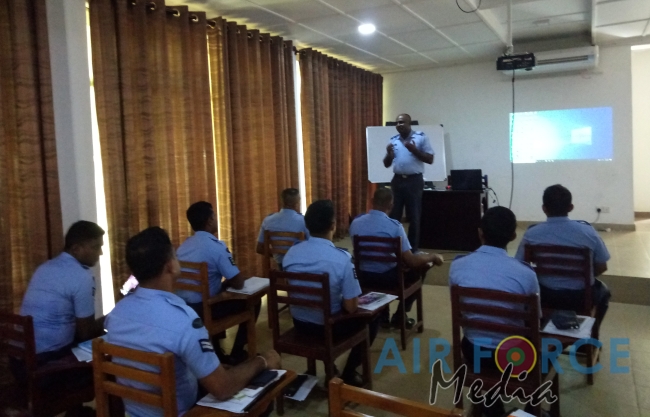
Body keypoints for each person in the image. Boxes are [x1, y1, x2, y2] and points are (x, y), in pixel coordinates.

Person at [106, 227, 281, 417]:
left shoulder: (116, 315)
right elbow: (222, 388)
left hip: (135, 413)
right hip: (185, 411)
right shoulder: (184, 321)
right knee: (265, 389)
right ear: (170, 266)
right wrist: (262, 360)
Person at [449, 207, 540, 417]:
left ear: (480, 233)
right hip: (513, 357)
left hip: (473, 352)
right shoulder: (526, 274)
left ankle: (491, 403)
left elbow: (460, 315)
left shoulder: (457, 266)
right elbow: (534, 323)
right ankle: (529, 412)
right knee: (549, 352)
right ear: (513, 236)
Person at [282, 200, 379, 387]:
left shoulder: (291, 254)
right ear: (333, 225)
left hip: (300, 323)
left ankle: (330, 368)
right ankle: (349, 372)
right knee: (373, 317)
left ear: (307, 225)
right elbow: (351, 307)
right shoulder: (341, 259)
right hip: (328, 328)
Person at [176, 201, 260, 364]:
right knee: (254, 301)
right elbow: (238, 282)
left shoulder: (183, 247)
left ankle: (217, 353)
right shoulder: (216, 247)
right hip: (205, 310)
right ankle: (237, 352)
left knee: (218, 291)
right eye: (214, 216)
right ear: (209, 221)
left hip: (185, 309)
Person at [514, 184, 611, 325]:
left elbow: (521, 265)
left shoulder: (531, 234)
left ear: (544, 208)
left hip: (545, 295)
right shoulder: (588, 232)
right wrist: (583, 275)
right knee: (605, 292)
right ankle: (593, 331)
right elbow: (602, 266)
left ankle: (538, 328)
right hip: (579, 297)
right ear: (571, 207)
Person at [349, 188, 444, 328]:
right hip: (387, 279)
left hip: (362, 276)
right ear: (391, 206)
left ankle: (382, 317)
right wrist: (432, 257)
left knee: (391, 265)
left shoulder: (356, 223)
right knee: (419, 270)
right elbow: (411, 261)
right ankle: (400, 316)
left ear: (372, 201)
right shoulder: (395, 227)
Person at [20, 220, 106, 360]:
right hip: (47, 359)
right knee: (109, 352)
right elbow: (86, 333)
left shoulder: (45, 267)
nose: (100, 253)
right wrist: (111, 317)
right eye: (96, 247)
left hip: (20, 357)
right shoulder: (81, 275)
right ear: (76, 249)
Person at [383, 113, 434, 252]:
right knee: (394, 216)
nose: (399, 125)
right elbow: (386, 164)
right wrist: (389, 155)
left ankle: (413, 250)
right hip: (397, 180)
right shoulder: (393, 140)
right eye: (397, 123)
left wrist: (414, 150)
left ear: (409, 123)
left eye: (402, 122)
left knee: (414, 217)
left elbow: (430, 159)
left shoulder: (421, 137)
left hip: (414, 181)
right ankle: (394, 249)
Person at [255, 188, 310, 267]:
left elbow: (259, 248)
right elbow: (312, 244)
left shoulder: (268, 220)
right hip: (298, 266)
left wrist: (276, 255)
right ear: (297, 203)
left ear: (282, 201)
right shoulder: (303, 221)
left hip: (279, 266)